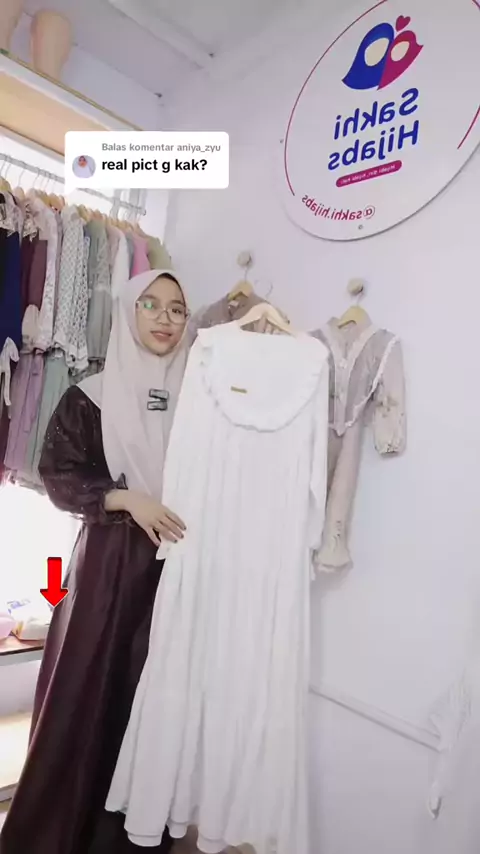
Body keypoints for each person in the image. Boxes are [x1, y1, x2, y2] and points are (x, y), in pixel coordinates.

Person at [0, 270, 193, 854]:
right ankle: (59, 834)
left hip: (179, 568)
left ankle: (126, 839)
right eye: (151, 305)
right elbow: (59, 475)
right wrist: (127, 498)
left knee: (148, 702)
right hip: (110, 565)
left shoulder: (200, 403)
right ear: (129, 313)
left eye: (177, 309)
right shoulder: (92, 396)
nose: (164, 318)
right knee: (87, 691)